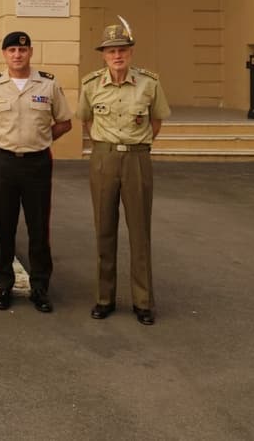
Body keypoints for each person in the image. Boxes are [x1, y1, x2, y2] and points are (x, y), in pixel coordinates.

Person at [0, 31, 73, 312]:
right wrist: (2, 139)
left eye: (22, 50)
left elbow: (64, 122)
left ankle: (40, 288)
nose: (17, 55)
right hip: (3, 162)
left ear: (30, 53)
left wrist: (40, 138)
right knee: (4, 225)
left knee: (39, 227)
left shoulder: (48, 85)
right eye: (12, 50)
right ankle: (3, 285)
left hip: (37, 162)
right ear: (4, 54)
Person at [76, 20, 171, 326]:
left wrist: (135, 145)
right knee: (104, 228)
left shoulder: (149, 84)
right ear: (103, 55)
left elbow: (155, 123)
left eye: (122, 50)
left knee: (140, 231)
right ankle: (104, 298)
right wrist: (107, 145)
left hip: (137, 159)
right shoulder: (90, 85)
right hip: (103, 158)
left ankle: (143, 301)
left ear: (131, 53)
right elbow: (87, 121)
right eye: (111, 51)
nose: (117, 56)